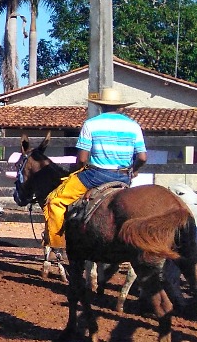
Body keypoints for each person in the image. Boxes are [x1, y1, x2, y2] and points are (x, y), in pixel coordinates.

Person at [43, 87, 146, 249]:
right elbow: (142, 157)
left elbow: (82, 159)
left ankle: (57, 245)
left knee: (55, 201)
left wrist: (80, 169)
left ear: (101, 106)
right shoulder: (134, 126)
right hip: (123, 177)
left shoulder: (91, 124)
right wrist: (134, 170)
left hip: (95, 175)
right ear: (121, 107)